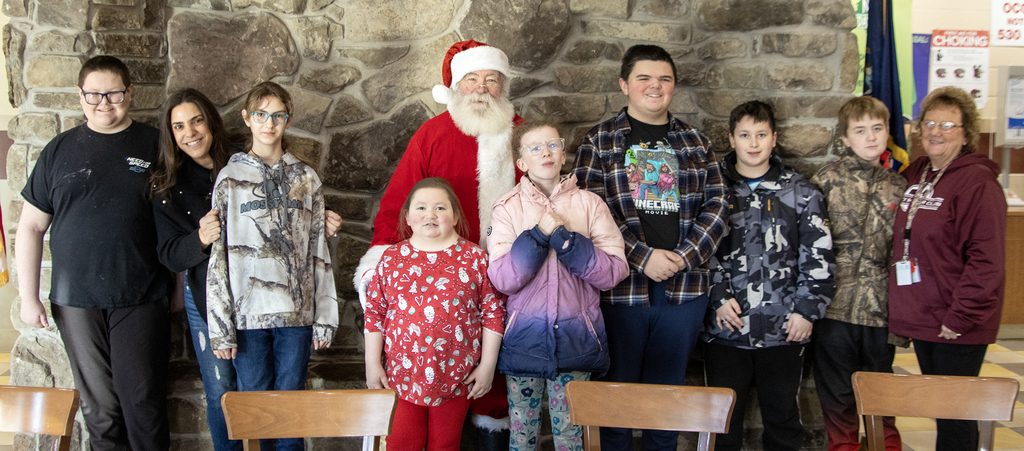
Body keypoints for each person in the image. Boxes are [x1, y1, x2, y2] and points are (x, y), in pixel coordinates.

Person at [354, 39, 519, 447]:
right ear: (456, 86)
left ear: (503, 86)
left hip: (507, 281)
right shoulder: (431, 135)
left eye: (492, 80)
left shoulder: (522, 133)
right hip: (434, 289)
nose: (482, 88)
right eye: (472, 79)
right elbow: (399, 203)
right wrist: (379, 261)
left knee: (496, 385)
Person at [571, 44, 728, 451]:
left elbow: (718, 205)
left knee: (667, 397)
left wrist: (684, 257)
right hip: (621, 289)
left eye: (664, 79)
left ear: (673, 86)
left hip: (685, 290)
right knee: (617, 396)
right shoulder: (600, 141)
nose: (654, 86)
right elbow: (591, 211)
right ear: (625, 84)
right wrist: (643, 257)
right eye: (644, 77)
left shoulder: (696, 142)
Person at [16, 55, 175, 450]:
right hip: (75, 302)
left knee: (143, 403)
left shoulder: (156, 144)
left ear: (130, 92)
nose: (104, 102)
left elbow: (177, 224)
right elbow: (31, 227)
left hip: (141, 296)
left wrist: (177, 288)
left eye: (114, 93)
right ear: (80, 95)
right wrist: (27, 296)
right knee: (99, 409)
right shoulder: (58, 150)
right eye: (94, 94)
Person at [206, 81, 339, 451]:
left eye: (277, 115)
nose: (269, 123)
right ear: (247, 118)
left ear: (288, 119)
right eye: (261, 115)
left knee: (291, 415)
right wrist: (221, 327)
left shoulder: (306, 178)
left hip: (296, 318)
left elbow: (319, 250)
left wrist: (325, 316)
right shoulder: (230, 179)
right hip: (248, 319)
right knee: (259, 415)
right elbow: (218, 256)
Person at [701, 100, 835, 451]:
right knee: (722, 422)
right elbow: (701, 252)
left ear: (774, 139)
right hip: (726, 329)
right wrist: (716, 298)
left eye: (761, 135)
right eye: (745, 135)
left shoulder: (802, 193)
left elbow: (818, 256)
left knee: (783, 418)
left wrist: (807, 311)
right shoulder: (712, 191)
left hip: (783, 330)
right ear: (732, 139)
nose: (754, 143)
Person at [487, 122, 628, 451]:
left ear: (564, 155)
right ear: (521, 163)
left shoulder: (590, 205)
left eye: (552, 145)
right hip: (523, 341)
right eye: (534, 147)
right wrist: (537, 237)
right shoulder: (507, 207)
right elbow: (504, 278)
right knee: (522, 437)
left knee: (571, 436)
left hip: (576, 341)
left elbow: (615, 271)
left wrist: (568, 245)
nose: (545, 152)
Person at [888, 86, 1007, 451]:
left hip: (957, 323)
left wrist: (960, 316)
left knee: (955, 419)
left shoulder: (978, 183)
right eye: (929, 122)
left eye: (948, 125)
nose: (935, 131)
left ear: (966, 132)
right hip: (925, 316)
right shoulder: (918, 171)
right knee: (940, 410)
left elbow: (987, 261)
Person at [364, 177, 506, 451]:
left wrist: (487, 366)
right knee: (402, 444)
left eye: (440, 208)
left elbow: (493, 313)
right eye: (421, 208)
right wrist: (372, 362)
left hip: (457, 375)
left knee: (446, 444)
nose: (430, 214)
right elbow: (375, 313)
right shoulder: (392, 258)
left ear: (454, 216)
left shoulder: (474, 258)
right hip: (402, 374)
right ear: (407, 217)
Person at [810, 96, 906, 451]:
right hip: (834, 308)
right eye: (860, 130)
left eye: (877, 129)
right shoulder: (825, 180)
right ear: (846, 138)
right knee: (838, 402)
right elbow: (810, 246)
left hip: (882, 313)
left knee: (882, 402)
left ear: (887, 133)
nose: (870, 137)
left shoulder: (899, 186)